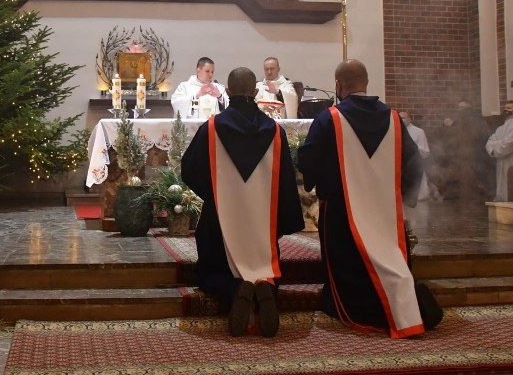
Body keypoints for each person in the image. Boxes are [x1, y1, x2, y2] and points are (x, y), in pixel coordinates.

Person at [297, 59, 442, 338]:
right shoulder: (394, 119)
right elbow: (415, 163)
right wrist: (404, 197)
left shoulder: (331, 118)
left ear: (339, 85)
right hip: (385, 209)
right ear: (367, 82)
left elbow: (310, 159)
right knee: (388, 255)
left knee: (346, 259)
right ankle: (400, 308)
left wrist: (316, 183)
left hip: (342, 211)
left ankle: (345, 308)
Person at [182, 67, 304, 337]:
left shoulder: (212, 127)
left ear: (227, 91)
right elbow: (285, 179)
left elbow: (189, 169)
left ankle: (237, 290)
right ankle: (264, 289)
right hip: (263, 222)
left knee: (209, 271)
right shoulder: (274, 130)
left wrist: (217, 197)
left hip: (221, 224)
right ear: (254, 92)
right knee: (264, 264)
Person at [485, 100, 513, 202]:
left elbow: (508, 144)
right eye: (505, 108)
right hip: (501, 161)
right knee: (502, 187)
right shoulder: (500, 128)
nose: (506, 110)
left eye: (509, 108)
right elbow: (489, 142)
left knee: (512, 188)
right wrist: (496, 147)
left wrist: (496, 146)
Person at [399, 111, 432, 201]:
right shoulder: (396, 131)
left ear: (409, 119)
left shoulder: (419, 132)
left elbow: (425, 151)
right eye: (400, 118)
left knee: (418, 193)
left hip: (414, 164)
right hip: (401, 164)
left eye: (404, 118)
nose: (402, 120)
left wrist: (411, 150)